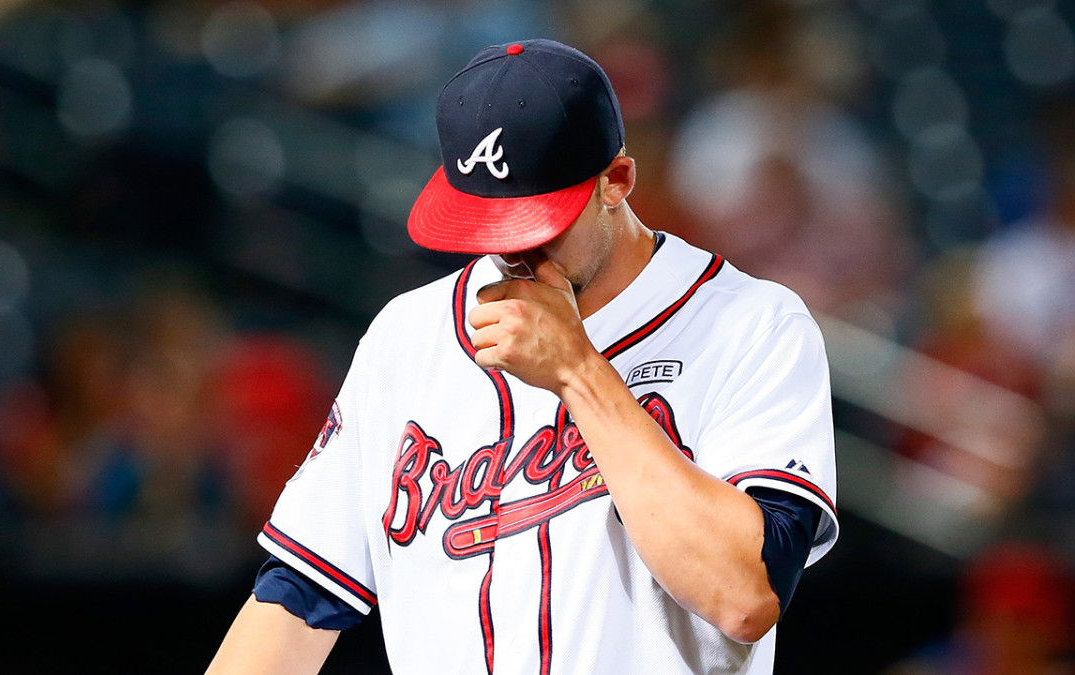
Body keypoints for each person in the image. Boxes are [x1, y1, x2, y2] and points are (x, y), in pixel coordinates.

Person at [207, 39, 838, 674]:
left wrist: (579, 372)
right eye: (485, 222)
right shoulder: (407, 336)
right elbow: (295, 599)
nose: (509, 252)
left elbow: (744, 597)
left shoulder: (752, 325)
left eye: (536, 223)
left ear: (614, 181)